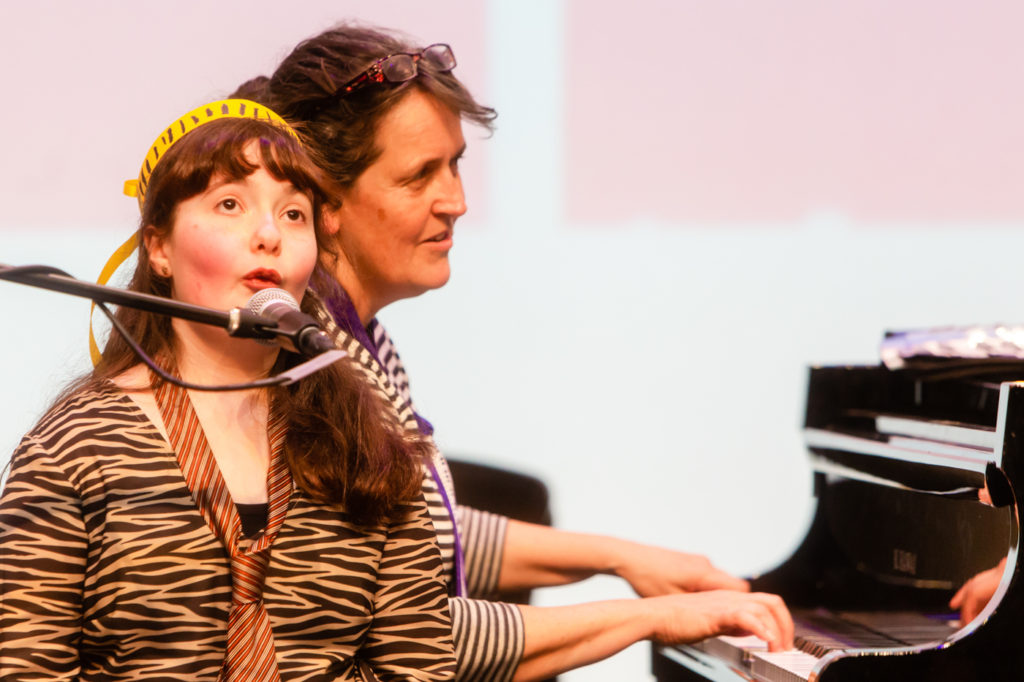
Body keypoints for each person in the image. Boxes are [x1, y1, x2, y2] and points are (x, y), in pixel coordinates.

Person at [232, 24, 794, 681]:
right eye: (420, 176)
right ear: (326, 201)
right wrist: (647, 617)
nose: (458, 203)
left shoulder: (354, 339)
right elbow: (419, 636)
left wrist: (624, 558)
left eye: (455, 164)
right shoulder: (302, 371)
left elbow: (414, 533)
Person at [0, 101, 456, 680]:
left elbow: (417, 666)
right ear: (159, 248)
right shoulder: (72, 450)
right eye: (230, 204)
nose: (269, 234)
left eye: (294, 214)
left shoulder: (365, 444)